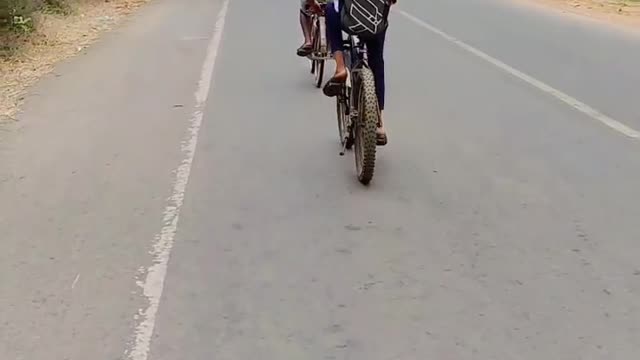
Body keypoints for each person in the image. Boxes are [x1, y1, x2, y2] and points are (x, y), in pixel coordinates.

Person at [322, 0, 395, 145]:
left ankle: (340, 66)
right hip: (374, 20)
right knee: (377, 61)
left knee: (330, 9)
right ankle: (379, 123)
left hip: (349, 19)